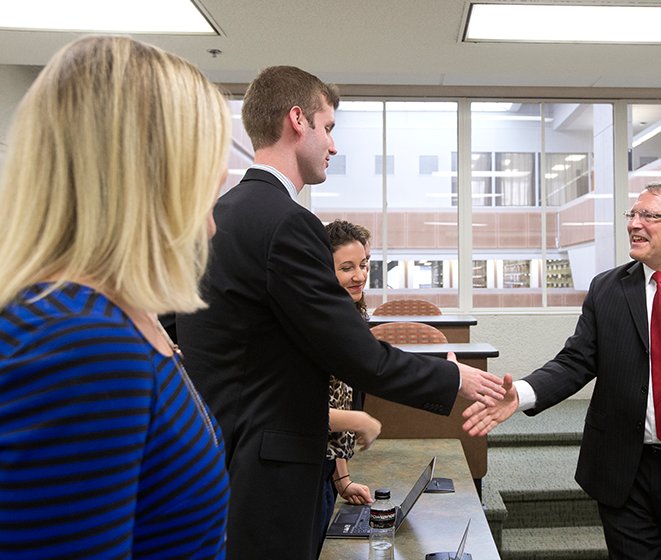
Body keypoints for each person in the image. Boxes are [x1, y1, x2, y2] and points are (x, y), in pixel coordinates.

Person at [175, 65, 504, 560]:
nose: (333, 145)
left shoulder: (221, 214)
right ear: (297, 120)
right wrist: (452, 378)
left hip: (221, 455)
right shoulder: (288, 223)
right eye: (328, 128)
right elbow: (355, 354)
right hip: (270, 469)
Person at [463, 182, 661, 560]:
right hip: (624, 471)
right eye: (632, 215)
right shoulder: (607, 289)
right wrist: (521, 393)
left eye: (648, 215)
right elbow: (576, 361)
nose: (634, 223)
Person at [0, 36, 231, 559]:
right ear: (156, 172)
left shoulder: (115, 322)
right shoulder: (82, 344)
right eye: (209, 163)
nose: (221, 176)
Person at [320, 219, 382, 538]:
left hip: (327, 472)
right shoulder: (318, 324)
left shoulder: (350, 316)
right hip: (305, 471)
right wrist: (359, 420)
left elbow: (339, 394)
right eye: (347, 267)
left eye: (363, 264)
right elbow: (306, 411)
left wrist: (342, 480)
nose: (359, 275)